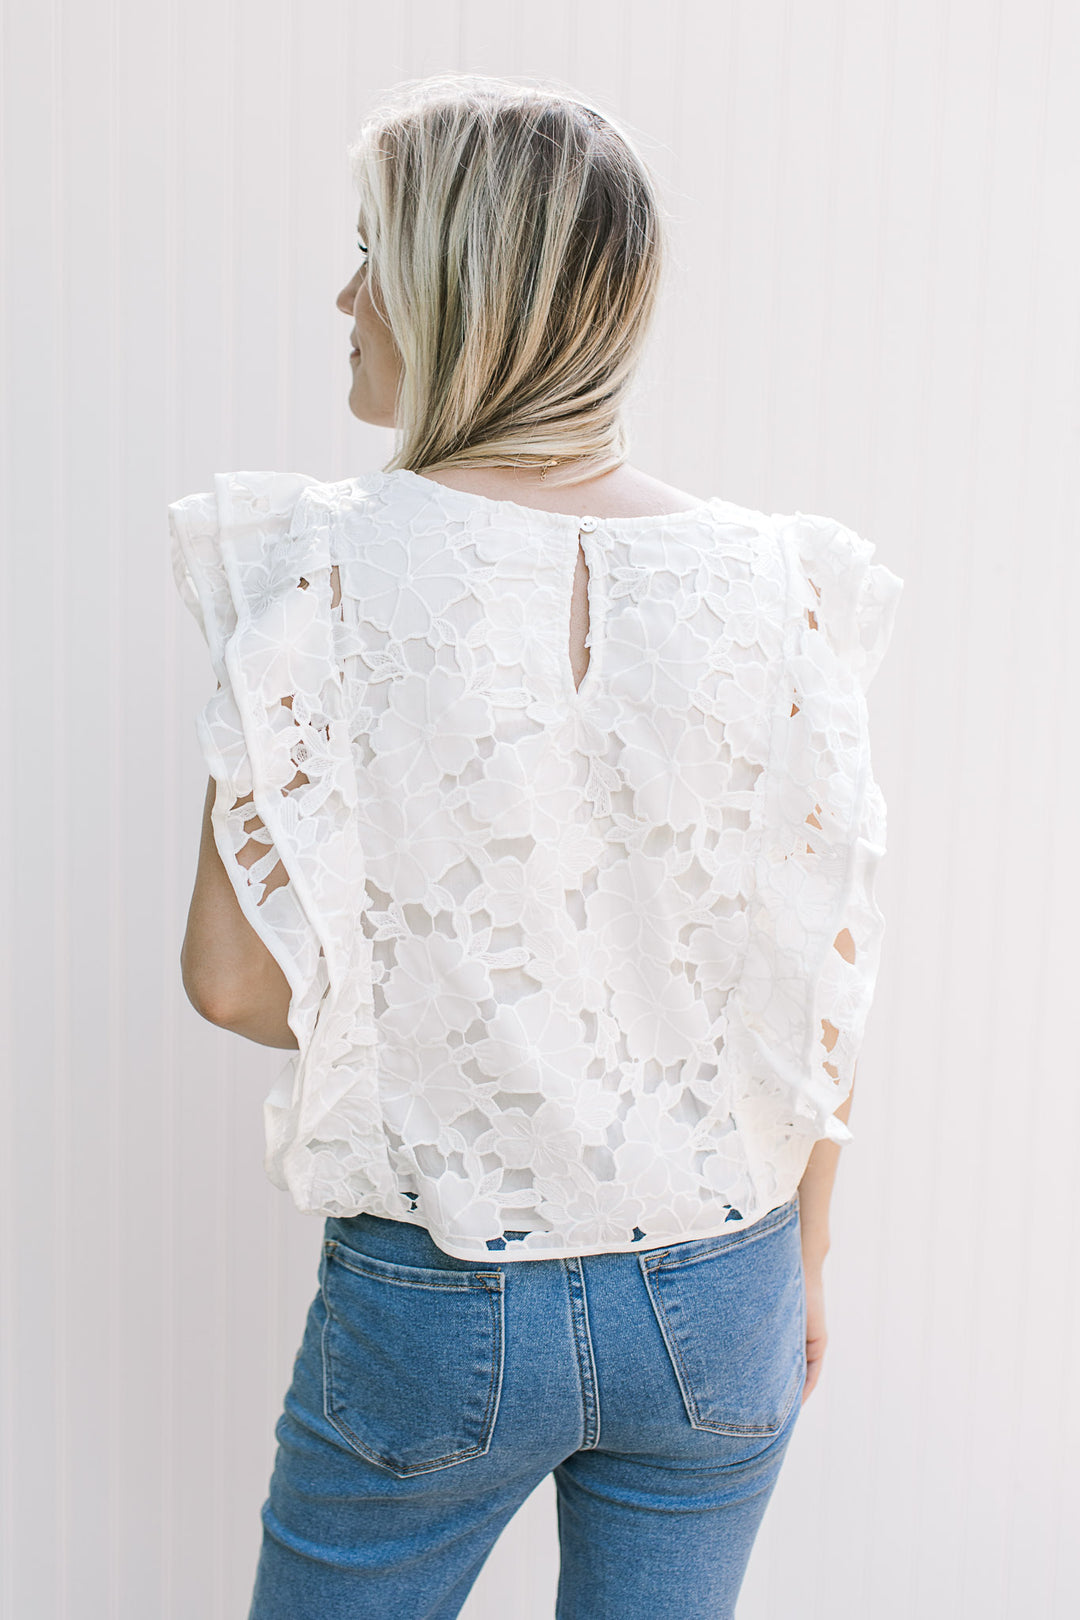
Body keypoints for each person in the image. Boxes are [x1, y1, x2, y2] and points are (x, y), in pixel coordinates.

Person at [169, 72, 903, 1620]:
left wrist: (454, 1060)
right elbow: (822, 980)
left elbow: (232, 982)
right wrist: (810, 1262)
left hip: (444, 1289)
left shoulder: (320, 573)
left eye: (373, 250)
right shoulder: (783, 584)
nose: (347, 292)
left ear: (454, 289)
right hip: (728, 1285)